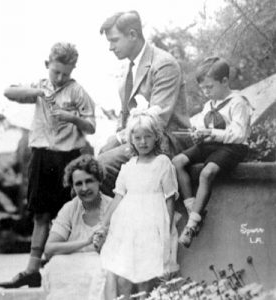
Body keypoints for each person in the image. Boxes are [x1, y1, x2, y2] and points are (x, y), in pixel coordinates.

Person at [0, 42, 96, 288]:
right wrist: (38, 93)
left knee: (70, 214)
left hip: (68, 159)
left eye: (66, 72)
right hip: (42, 156)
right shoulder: (40, 86)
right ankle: (32, 270)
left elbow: (92, 126)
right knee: (40, 213)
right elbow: (8, 92)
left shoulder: (77, 91)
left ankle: (68, 269)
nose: (61, 77)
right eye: (56, 72)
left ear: (73, 69)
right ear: (47, 66)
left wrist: (73, 118)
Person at [98, 10, 191, 197]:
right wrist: (115, 137)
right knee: (88, 167)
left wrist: (118, 140)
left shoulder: (164, 64)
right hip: (139, 139)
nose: (110, 47)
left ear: (132, 35)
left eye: (114, 40)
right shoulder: (128, 69)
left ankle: (108, 222)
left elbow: (157, 120)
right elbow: (125, 116)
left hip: (166, 140)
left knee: (101, 168)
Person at [97, 107, 179, 300]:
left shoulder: (162, 163)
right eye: (138, 138)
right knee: (123, 276)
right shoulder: (127, 167)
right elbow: (118, 197)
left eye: (148, 137)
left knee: (146, 275)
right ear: (131, 139)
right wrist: (104, 224)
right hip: (127, 227)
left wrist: (167, 229)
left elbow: (169, 198)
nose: (143, 142)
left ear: (156, 137)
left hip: (151, 225)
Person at [172, 57, 253, 248]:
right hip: (212, 144)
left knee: (207, 172)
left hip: (233, 147)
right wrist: (198, 134)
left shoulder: (238, 102)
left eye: (210, 87)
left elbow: (239, 134)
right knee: (177, 162)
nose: (206, 92)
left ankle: (191, 225)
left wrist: (211, 133)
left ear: (225, 81)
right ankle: (194, 209)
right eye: (203, 89)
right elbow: (203, 126)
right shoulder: (209, 105)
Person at [42, 155, 112, 300]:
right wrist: (86, 242)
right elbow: (49, 249)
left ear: (99, 180)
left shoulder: (112, 207)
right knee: (56, 264)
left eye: (89, 181)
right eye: (78, 184)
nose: (84, 188)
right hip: (74, 261)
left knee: (104, 270)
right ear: (72, 186)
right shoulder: (70, 209)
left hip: (104, 262)